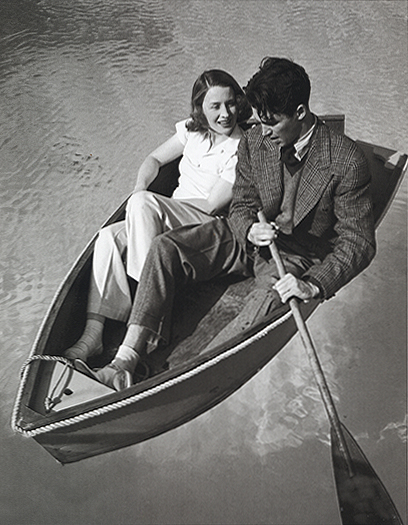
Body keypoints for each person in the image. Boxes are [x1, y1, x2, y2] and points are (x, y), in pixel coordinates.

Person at [87, 57, 376, 390]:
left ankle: (178, 378)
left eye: (271, 123)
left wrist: (311, 285)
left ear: (299, 112)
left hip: (296, 256)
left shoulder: (347, 160)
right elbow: (241, 204)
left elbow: (358, 243)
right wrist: (249, 228)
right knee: (165, 247)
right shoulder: (256, 141)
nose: (262, 131)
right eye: (260, 121)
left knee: (259, 309)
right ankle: (124, 361)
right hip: (245, 238)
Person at [64, 69, 252, 366]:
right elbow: (153, 160)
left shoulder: (242, 146)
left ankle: (143, 311)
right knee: (108, 237)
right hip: (166, 213)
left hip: (203, 225)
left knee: (143, 205)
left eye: (230, 104)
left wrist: (150, 204)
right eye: (215, 106)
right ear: (200, 109)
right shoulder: (191, 130)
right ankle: (94, 334)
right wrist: (140, 190)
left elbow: (213, 204)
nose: (225, 114)